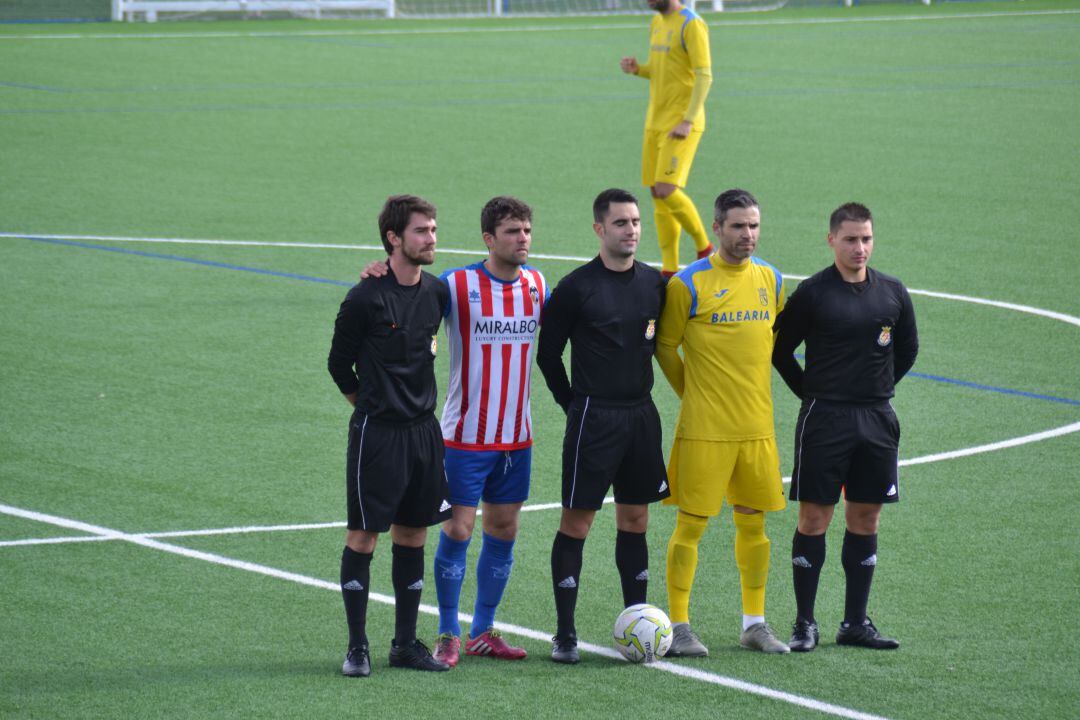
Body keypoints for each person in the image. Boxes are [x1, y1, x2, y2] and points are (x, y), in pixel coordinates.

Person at [358, 197, 547, 667]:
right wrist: (379, 270)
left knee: (504, 528)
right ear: (489, 238)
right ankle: (447, 631)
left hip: (516, 436)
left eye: (526, 231)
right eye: (511, 232)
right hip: (464, 436)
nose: (522, 239)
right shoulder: (457, 286)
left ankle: (483, 630)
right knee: (459, 529)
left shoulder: (537, 284)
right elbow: (410, 295)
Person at [772, 202, 918, 652]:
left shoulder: (892, 291)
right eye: (851, 239)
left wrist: (875, 390)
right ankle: (804, 623)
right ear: (831, 239)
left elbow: (907, 350)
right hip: (825, 419)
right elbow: (780, 352)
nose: (860, 248)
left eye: (867, 239)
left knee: (866, 516)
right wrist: (813, 394)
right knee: (815, 517)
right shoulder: (813, 293)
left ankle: (855, 622)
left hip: (877, 420)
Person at [654, 188, 790, 657]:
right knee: (691, 526)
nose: (747, 234)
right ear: (716, 228)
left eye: (753, 225)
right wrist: (693, 394)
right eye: (737, 226)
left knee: (754, 525)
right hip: (705, 429)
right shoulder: (687, 284)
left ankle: (755, 623)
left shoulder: (771, 279)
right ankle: (679, 624)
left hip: (757, 428)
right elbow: (665, 347)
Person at [536, 188, 669, 664]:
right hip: (594, 417)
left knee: (635, 520)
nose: (631, 230)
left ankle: (638, 619)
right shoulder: (575, 288)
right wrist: (573, 404)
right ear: (599, 229)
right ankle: (565, 633)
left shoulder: (655, 285)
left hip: (641, 416)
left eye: (635, 222)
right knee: (578, 522)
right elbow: (548, 355)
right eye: (620, 223)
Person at [327, 195, 453, 678]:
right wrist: (373, 408)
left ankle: (404, 644)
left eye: (434, 229)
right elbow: (339, 365)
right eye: (421, 231)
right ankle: (357, 647)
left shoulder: (438, 293)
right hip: (378, 436)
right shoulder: (366, 297)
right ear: (394, 239)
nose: (431, 238)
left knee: (414, 534)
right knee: (363, 537)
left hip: (425, 434)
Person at [620, 0, 715, 278]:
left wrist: (688, 119)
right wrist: (639, 69)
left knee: (666, 188)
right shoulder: (657, 23)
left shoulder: (691, 23)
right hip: (655, 122)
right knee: (656, 193)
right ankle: (670, 268)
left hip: (681, 122)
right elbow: (663, 70)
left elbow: (704, 75)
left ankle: (704, 246)